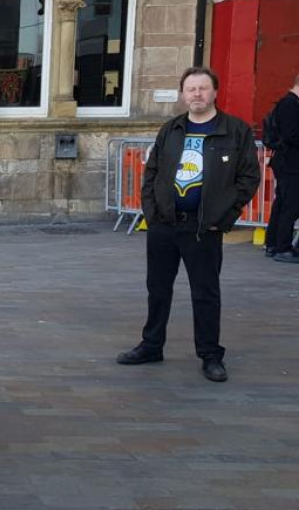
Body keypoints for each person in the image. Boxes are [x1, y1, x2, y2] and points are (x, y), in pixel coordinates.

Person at [117, 67, 260, 383]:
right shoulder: (171, 129)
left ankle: (210, 354)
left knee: (205, 292)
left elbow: (249, 178)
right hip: (165, 226)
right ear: (183, 94)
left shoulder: (235, 131)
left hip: (203, 227)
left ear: (215, 92)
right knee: (157, 289)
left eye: (203, 88)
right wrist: (152, 216)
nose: (197, 94)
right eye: (191, 89)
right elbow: (151, 174)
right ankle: (152, 344)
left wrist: (221, 218)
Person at [264, 74, 299, 263]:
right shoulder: (290, 104)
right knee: (290, 206)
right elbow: (291, 135)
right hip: (291, 164)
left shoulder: (289, 103)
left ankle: (273, 244)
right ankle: (282, 247)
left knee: (283, 204)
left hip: (287, 162)